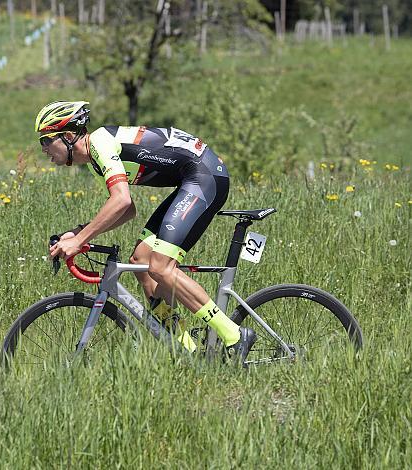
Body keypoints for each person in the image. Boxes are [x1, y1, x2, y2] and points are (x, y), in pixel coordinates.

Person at [37, 100, 256, 361]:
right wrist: (78, 233)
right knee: (141, 260)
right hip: (191, 179)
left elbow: (122, 201)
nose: (44, 150)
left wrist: (80, 239)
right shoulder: (96, 161)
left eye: (46, 140)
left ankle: (233, 334)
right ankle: (191, 353)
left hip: (204, 177)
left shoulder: (100, 143)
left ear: (69, 136)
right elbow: (126, 211)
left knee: (161, 267)